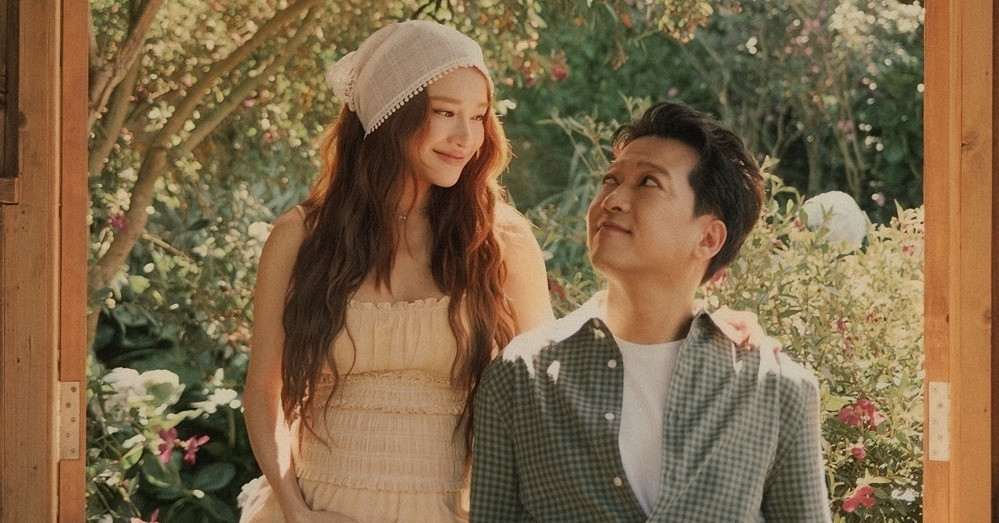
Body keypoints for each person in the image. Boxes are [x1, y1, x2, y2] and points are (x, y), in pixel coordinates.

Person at [239, 20, 554, 523]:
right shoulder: (301, 238)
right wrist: (295, 510)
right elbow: (263, 391)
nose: (466, 137)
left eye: (478, 116)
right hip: (317, 510)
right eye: (445, 112)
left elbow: (542, 398)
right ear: (389, 114)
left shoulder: (501, 240)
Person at [470, 102, 831, 522]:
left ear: (708, 238)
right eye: (610, 180)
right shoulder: (519, 379)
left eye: (648, 182)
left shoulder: (775, 390)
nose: (612, 199)